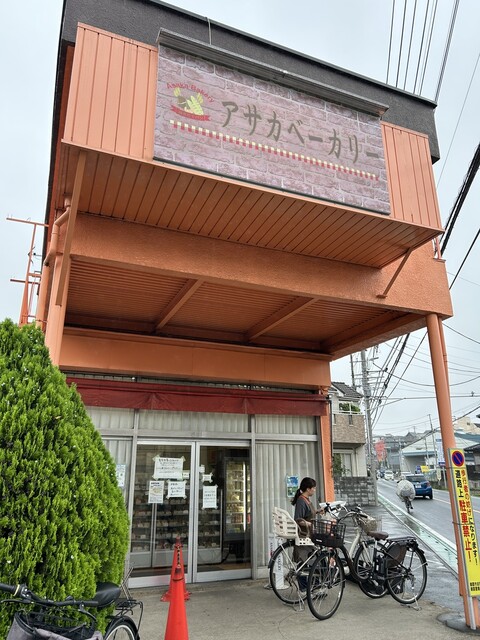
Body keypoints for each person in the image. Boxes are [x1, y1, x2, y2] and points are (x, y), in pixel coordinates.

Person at [291, 477, 318, 593]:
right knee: (304, 561)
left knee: (309, 560)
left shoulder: (306, 500)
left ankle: (313, 587)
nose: (315, 490)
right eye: (314, 488)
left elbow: (308, 514)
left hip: (309, 533)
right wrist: (307, 523)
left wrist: (318, 511)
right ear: (308, 489)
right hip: (304, 534)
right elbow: (298, 519)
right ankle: (304, 588)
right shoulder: (301, 501)